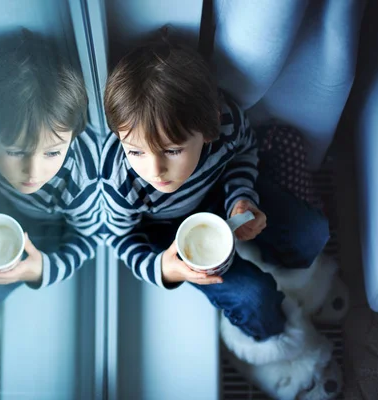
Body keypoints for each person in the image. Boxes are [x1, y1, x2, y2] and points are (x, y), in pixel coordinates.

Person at [101, 29, 342, 399]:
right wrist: (164, 268)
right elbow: (119, 237)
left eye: (172, 150)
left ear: (209, 128)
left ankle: (294, 280)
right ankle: (268, 339)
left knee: (311, 232)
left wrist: (240, 199)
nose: (155, 170)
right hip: (169, 234)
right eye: (135, 152)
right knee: (251, 297)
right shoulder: (121, 181)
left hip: (223, 195)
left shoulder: (227, 121)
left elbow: (244, 154)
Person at [0, 29, 103, 340]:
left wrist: (41, 269)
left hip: (44, 235)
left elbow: (90, 238)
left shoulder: (81, 176)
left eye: (52, 152)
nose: (33, 171)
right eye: (17, 152)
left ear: (72, 137)